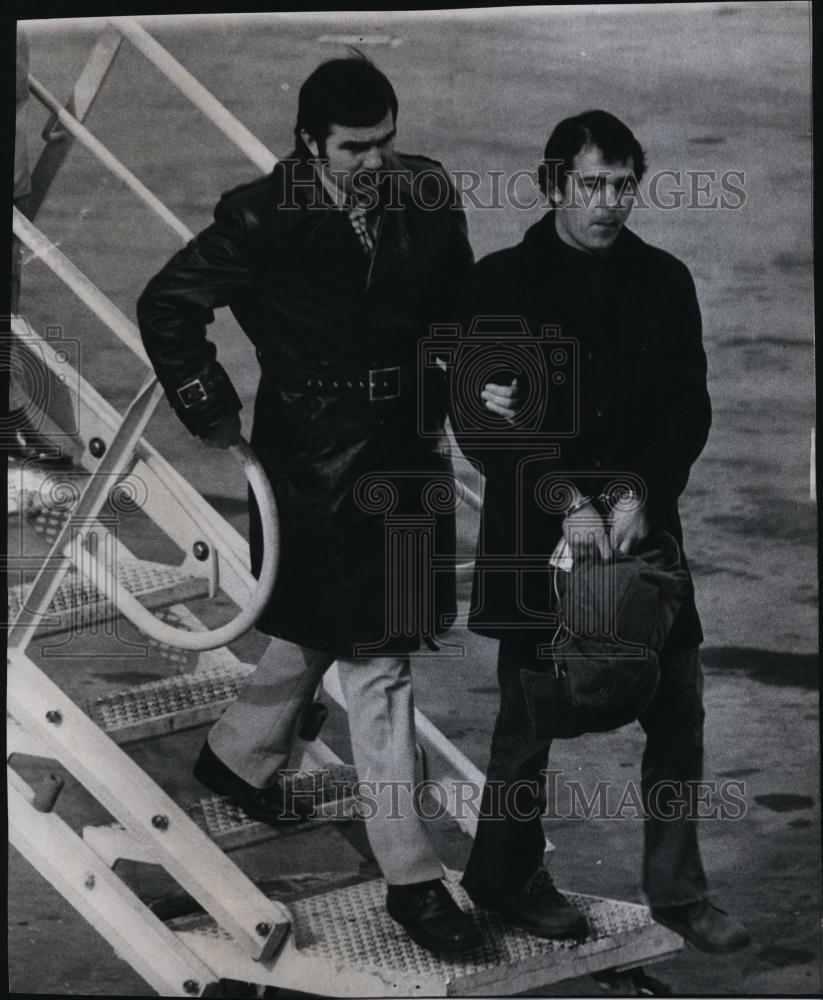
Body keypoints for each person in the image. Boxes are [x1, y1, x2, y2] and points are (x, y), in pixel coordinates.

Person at [137, 55, 481, 955]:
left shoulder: (427, 193)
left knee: (339, 626)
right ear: (309, 144)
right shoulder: (259, 216)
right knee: (380, 660)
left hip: (406, 444)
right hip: (318, 456)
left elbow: (458, 303)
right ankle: (411, 877)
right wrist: (212, 411)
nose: (377, 163)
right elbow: (168, 303)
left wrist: (467, 381)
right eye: (356, 149)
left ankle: (239, 754)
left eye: (386, 142)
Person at [450, 110, 750, 953]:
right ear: (553, 186)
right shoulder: (499, 283)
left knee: (678, 705)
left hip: (644, 533)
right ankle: (506, 882)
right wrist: (568, 501)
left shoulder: (664, 279)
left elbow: (686, 404)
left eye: (624, 185)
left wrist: (640, 493)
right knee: (527, 725)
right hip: (537, 534)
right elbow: (481, 425)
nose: (609, 203)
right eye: (591, 185)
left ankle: (678, 893)